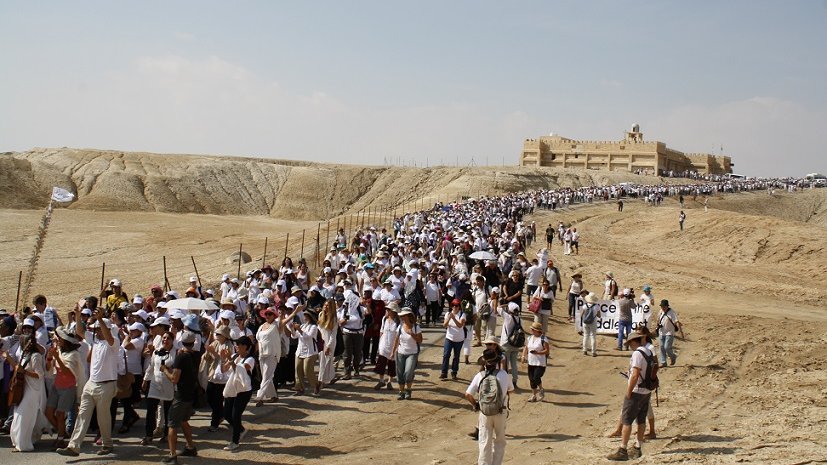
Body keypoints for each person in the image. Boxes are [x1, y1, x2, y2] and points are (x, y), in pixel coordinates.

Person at [58, 310, 119, 457]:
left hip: (107, 384)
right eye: (96, 329)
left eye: (99, 329)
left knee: (102, 417)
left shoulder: (114, 342)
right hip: (91, 383)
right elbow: (80, 331)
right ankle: (73, 446)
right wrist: (78, 316)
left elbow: (109, 338)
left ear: (107, 329)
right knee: (82, 415)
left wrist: (100, 320)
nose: (97, 332)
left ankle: (107, 444)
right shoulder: (95, 341)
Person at [607, 332, 655, 461]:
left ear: (634, 341)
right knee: (641, 419)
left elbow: (634, 375)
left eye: (629, 343)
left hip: (636, 391)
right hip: (646, 390)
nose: (629, 346)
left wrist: (629, 391)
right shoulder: (648, 352)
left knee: (627, 420)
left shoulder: (637, 354)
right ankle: (637, 447)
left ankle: (623, 450)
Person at [464, 348, 514, 465]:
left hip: (485, 412)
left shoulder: (480, 375)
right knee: (500, 440)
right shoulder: (504, 374)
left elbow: (468, 394)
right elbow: (511, 390)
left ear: (484, 362)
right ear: (496, 362)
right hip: (500, 411)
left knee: (484, 440)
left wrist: (475, 404)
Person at [3, 334, 47, 452]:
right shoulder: (24, 355)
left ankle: (24, 445)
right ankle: (19, 442)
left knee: (24, 417)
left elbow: (40, 375)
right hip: (24, 388)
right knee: (18, 415)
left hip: (33, 390)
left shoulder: (35, 356)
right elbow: (19, 370)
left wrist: (25, 372)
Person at [160, 331, 199, 463]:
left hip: (181, 395)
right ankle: (191, 447)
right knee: (183, 421)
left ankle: (172, 455)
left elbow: (174, 379)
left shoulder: (181, 357)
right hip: (190, 395)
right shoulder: (195, 355)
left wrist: (165, 370)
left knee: (172, 425)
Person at [45, 327, 86, 449]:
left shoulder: (74, 355)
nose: (57, 341)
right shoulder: (59, 351)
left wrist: (56, 357)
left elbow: (68, 372)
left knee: (60, 413)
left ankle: (61, 438)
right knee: (48, 413)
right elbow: (48, 368)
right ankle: (62, 434)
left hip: (68, 387)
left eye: (60, 339)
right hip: (57, 385)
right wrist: (49, 357)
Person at [221, 336, 255, 451]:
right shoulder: (235, 356)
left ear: (245, 346)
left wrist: (230, 360)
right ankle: (241, 429)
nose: (236, 347)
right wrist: (222, 359)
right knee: (226, 414)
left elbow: (242, 369)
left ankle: (235, 441)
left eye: (238, 345)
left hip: (244, 391)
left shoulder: (250, 359)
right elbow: (224, 370)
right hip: (233, 388)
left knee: (236, 415)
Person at [142, 331, 175, 446]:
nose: (165, 340)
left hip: (168, 385)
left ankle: (166, 435)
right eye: (164, 338)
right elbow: (151, 366)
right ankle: (148, 435)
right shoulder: (156, 352)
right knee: (151, 410)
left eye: (168, 338)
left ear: (172, 340)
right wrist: (146, 379)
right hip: (155, 384)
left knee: (167, 412)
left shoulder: (176, 353)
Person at [204, 325, 232, 432]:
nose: (217, 335)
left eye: (219, 334)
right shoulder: (215, 343)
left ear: (225, 336)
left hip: (222, 377)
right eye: (217, 333)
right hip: (213, 375)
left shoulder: (228, 345)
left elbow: (225, 360)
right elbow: (207, 357)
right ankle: (221, 414)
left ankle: (214, 424)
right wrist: (208, 351)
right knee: (209, 397)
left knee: (217, 401)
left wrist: (213, 352)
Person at [391, 307, 422, 400]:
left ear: (409, 316)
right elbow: (396, 340)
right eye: (401, 316)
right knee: (400, 373)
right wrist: (393, 352)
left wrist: (412, 334)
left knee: (408, 372)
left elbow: (420, 340)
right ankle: (401, 392)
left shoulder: (416, 327)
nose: (402, 318)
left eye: (404, 316)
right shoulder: (400, 327)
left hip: (412, 353)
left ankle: (408, 390)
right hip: (400, 352)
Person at [254, 307, 282, 406]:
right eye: (266, 314)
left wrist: (295, 312)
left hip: (272, 354)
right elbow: (258, 339)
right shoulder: (261, 326)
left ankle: (259, 397)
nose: (268, 316)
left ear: (274, 316)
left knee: (266, 376)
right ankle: (273, 396)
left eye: (270, 314)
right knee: (266, 376)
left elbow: (285, 321)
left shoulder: (277, 325)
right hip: (262, 354)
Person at [291, 310, 320, 396]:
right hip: (300, 351)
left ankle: (315, 385)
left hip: (310, 352)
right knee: (298, 370)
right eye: (304, 315)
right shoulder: (303, 325)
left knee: (307, 370)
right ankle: (300, 388)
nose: (305, 317)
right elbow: (294, 336)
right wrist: (293, 329)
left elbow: (308, 337)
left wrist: (299, 329)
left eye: (306, 315)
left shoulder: (314, 327)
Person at [521, 322, 549, 402]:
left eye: (532, 329)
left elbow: (547, 351)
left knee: (536, 377)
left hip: (540, 363)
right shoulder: (529, 338)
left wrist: (537, 353)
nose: (531, 330)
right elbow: (526, 348)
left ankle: (541, 389)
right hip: (531, 362)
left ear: (537, 331)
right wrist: (523, 356)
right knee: (531, 379)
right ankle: (534, 395)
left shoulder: (543, 339)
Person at [374, 302, 400, 390]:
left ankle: (389, 381)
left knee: (392, 364)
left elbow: (398, 335)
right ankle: (381, 380)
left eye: (388, 310)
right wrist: (379, 344)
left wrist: (395, 348)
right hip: (384, 344)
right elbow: (381, 331)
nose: (387, 311)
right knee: (381, 363)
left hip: (393, 345)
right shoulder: (384, 319)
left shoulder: (398, 322)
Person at [440, 299, 466, 381]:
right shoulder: (448, 314)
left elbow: (460, 325)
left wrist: (454, 318)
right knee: (446, 354)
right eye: (453, 305)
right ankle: (444, 372)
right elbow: (444, 325)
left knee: (456, 356)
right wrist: (449, 318)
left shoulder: (462, 314)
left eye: (456, 305)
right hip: (449, 338)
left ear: (459, 307)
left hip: (459, 339)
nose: (455, 307)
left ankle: (454, 372)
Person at [498, 302, 522, 389]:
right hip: (516, 344)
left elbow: (498, 308)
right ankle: (514, 381)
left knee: (505, 364)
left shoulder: (507, 317)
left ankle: (506, 382)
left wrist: (505, 304)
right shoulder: (519, 319)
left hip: (506, 343)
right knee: (514, 364)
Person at [317, 299, 339, 390]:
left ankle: (320, 382)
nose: (325, 307)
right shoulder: (321, 315)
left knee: (325, 362)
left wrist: (328, 346)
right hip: (321, 341)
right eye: (325, 305)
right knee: (322, 362)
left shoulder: (333, 319)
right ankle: (328, 378)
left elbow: (333, 335)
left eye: (328, 306)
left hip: (329, 342)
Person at [656, 299, 683, 366]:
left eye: (664, 306)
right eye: (661, 306)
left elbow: (676, 321)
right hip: (661, 332)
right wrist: (657, 326)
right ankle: (663, 362)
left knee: (667, 347)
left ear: (667, 306)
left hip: (669, 332)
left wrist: (681, 331)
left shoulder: (672, 312)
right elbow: (658, 319)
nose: (663, 308)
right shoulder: (660, 311)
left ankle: (673, 356)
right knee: (661, 347)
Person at [580, 292, 600, 356]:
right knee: (593, 336)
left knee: (585, 336)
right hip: (593, 322)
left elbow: (581, 315)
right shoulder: (596, 306)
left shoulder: (585, 306)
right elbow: (599, 316)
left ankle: (584, 350)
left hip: (585, 322)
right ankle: (593, 352)